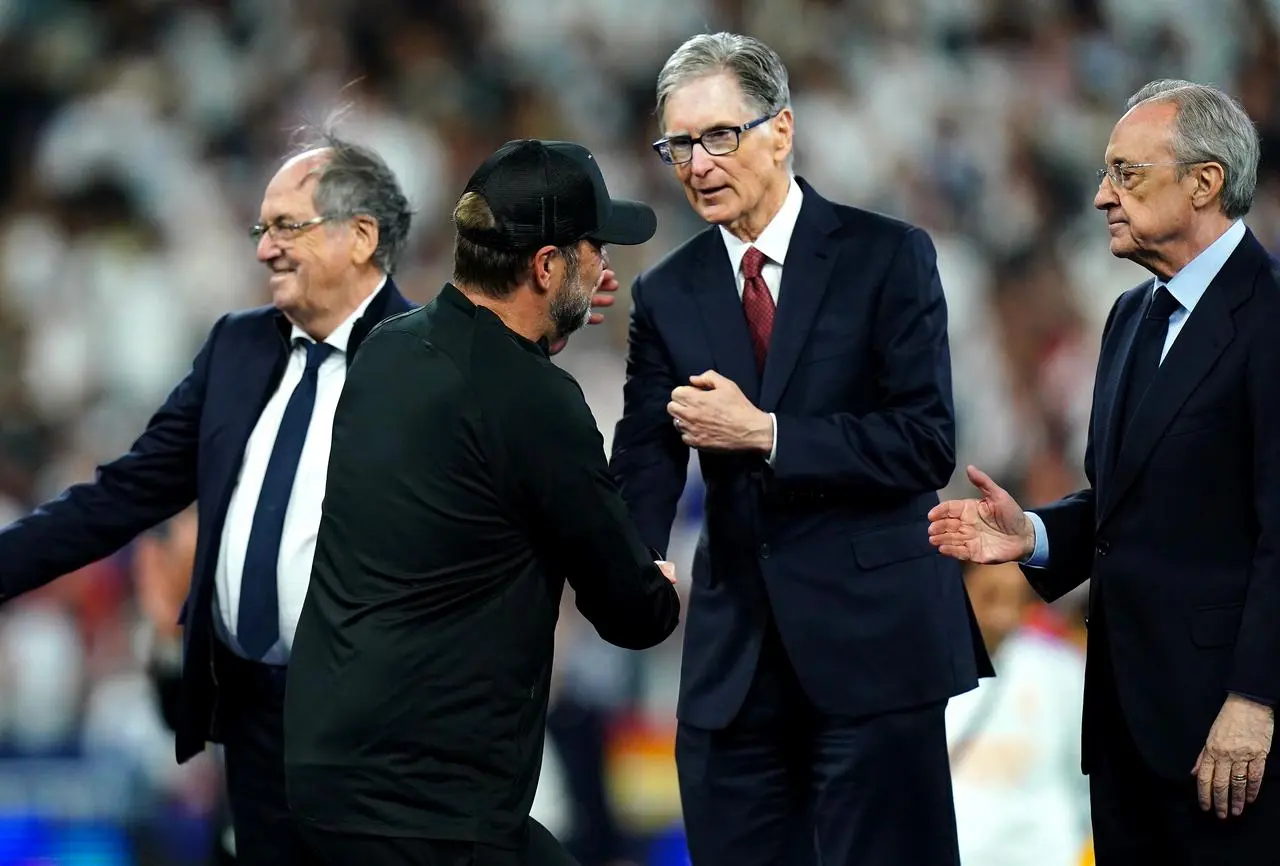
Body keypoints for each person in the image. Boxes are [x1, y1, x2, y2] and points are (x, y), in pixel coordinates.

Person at [608, 32, 991, 866]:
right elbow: (644, 457)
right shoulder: (666, 291)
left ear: (781, 130)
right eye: (679, 144)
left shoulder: (886, 255)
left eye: (720, 136)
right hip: (735, 666)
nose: (698, 164)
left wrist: (767, 434)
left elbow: (925, 443)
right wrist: (631, 565)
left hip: (877, 652)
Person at [0, 132, 417, 866]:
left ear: (361, 237)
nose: (264, 249)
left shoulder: (436, 363)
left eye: (288, 226)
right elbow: (121, 495)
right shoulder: (237, 348)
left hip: (384, 731)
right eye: (262, 229)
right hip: (253, 721)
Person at [283, 138, 681, 866]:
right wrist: (659, 580)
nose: (606, 268)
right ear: (545, 265)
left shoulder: (388, 351)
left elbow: (478, 408)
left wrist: (538, 335)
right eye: (592, 248)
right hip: (430, 805)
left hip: (327, 772)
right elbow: (635, 613)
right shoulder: (535, 402)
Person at [928, 79, 1280, 864]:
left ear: (1204, 182)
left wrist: (1256, 700)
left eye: (1126, 173)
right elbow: (1124, 509)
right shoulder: (1131, 316)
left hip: (1230, 738)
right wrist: (1035, 536)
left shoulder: (1270, 317)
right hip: (1123, 731)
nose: (1100, 196)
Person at [947, 562, 1090, 866]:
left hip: (1045, 855)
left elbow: (1085, 776)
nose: (1004, 617)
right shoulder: (929, 675)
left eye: (1017, 600)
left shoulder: (1061, 670)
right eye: (991, 597)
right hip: (961, 852)